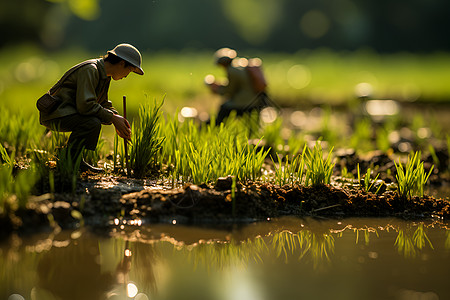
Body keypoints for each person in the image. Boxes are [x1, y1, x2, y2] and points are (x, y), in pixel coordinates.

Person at [39, 43, 144, 173]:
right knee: (92, 122)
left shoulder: (104, 75)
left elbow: (102, 102)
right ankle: (70, 159)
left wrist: (117, 119)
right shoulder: (91, 70)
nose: (127, 75)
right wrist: (112, 118)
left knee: (93, 120)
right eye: (130, 70)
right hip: (57, 113)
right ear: (122, 63)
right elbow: (85, 106)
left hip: (68, 112)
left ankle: (74, 159)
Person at [205, 47, 270, 125]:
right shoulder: (240, 65)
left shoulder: (231, 71)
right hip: (255, 100)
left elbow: (229, 90)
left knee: (224, 109)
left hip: (244, 102)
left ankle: (214, 126)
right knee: (252, 126)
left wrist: (217, 89)